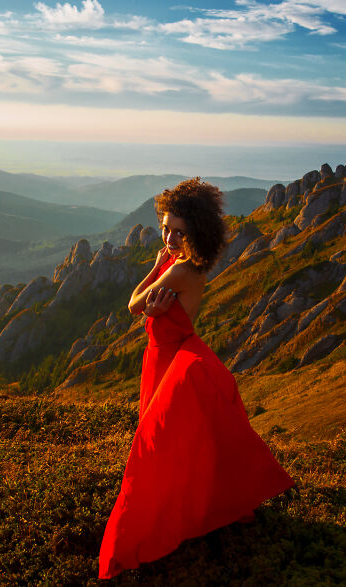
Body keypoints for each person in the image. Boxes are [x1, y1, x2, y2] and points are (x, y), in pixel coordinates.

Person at [98, 178, 294, 579]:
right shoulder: (183, 262)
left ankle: (154, 521)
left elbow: (134, 305)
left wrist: (154, 269)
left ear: (196, 232)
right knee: (180, 442)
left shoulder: (183, 269)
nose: (169, 236)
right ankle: (191, 503)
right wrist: (159, 270)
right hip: (167, 356)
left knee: (157, 447)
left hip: (171, 362)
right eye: (166, 227)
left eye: (178, 231)